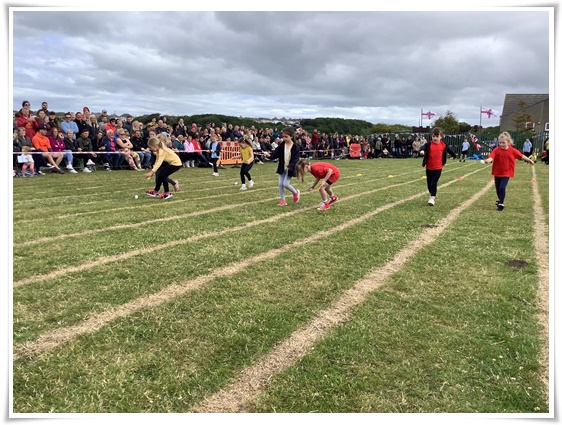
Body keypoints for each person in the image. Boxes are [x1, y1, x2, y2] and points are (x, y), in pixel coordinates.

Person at [481, 131, 535, 211]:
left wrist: (529, 160)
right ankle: (500, 199)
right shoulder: (496, 150)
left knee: (502, 187)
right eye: (500, 142)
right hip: (497, 172)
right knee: (498, 189)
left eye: (503, 142)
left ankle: (501, 203)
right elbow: (491, 157)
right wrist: (487, 160)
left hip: (507, 172)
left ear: (508, 142)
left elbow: (521, 156)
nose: (501, 144)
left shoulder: (513, 151)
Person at [262, 126, 300, 206]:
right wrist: (269, 155)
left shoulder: (295, 147)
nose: (284, 138)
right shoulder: (282, 145)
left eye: (286, 136)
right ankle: (283, 200)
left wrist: (290, 166)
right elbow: (275, 154)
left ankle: (295, 192)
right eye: (283, 137)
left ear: (291, 136)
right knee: (280, 184)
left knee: (285, 184)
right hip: (282, 168)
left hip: (290, 168)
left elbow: (296, 159)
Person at [420, 126, 456, 206]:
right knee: (429, 184)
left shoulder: (443, 145)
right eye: (433, 136)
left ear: (441, 137)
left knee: (434, 182)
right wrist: (421, 151)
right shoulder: (428, 145)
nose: (435, 138)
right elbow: (422, 147)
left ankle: (432, 198)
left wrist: (454, 155)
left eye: (437, 136)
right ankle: (431, 194)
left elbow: (450, 151)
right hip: (429, 167)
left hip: (438, 168)